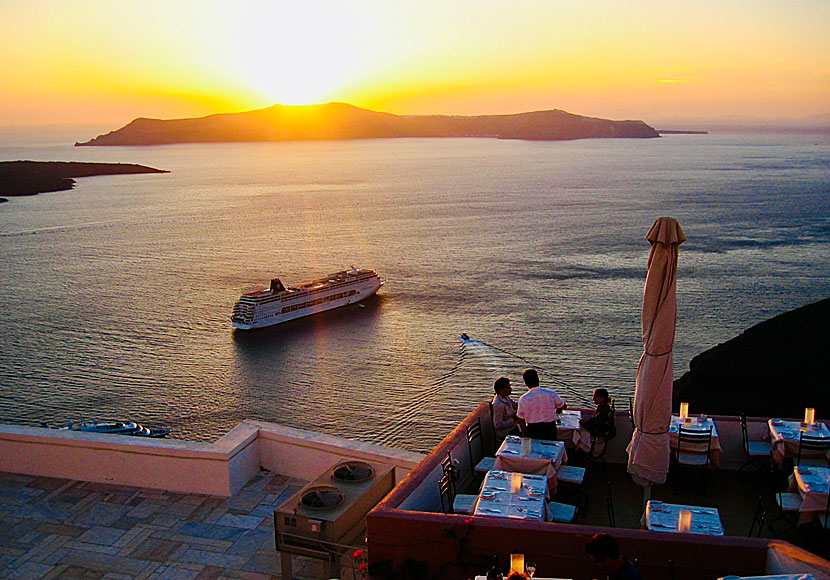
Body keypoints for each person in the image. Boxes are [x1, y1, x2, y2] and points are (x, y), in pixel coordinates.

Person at [516, 368, 566, 440]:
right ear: (538, 380)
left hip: (532, 429)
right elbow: (563, 406)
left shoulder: (523, 399)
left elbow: (521, 419)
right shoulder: (551, 394)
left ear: (526, 383)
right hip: (550, 429)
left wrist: (523, 433)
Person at [491, 377, 520, 441]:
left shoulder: (506, 397)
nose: (510, 389)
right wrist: (513, 419)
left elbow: (514, 404)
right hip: (506, 433)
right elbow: (497, 425)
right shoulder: (498, 405)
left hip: (513, 428)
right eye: (508, 387)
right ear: (501, 390)